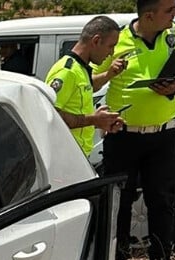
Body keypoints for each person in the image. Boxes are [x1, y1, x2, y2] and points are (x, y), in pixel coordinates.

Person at [94, 0, 175, 260]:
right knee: (121, 200)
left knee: (161, 201)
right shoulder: (117, 40)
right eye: (170, 9)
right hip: (123, 135)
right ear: (149, 15)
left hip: (165, 135)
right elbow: (90, 81)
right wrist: (108, 73)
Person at [46, 16, 124, 158]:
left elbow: (76, 109)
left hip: (78, 156)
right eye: (111, 46)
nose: (111, 53)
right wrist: (94, 119)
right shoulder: (67, 71)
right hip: (66, 158)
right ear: (96, 41)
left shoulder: (81, 69)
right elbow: (51, 115)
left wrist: (101, 121)